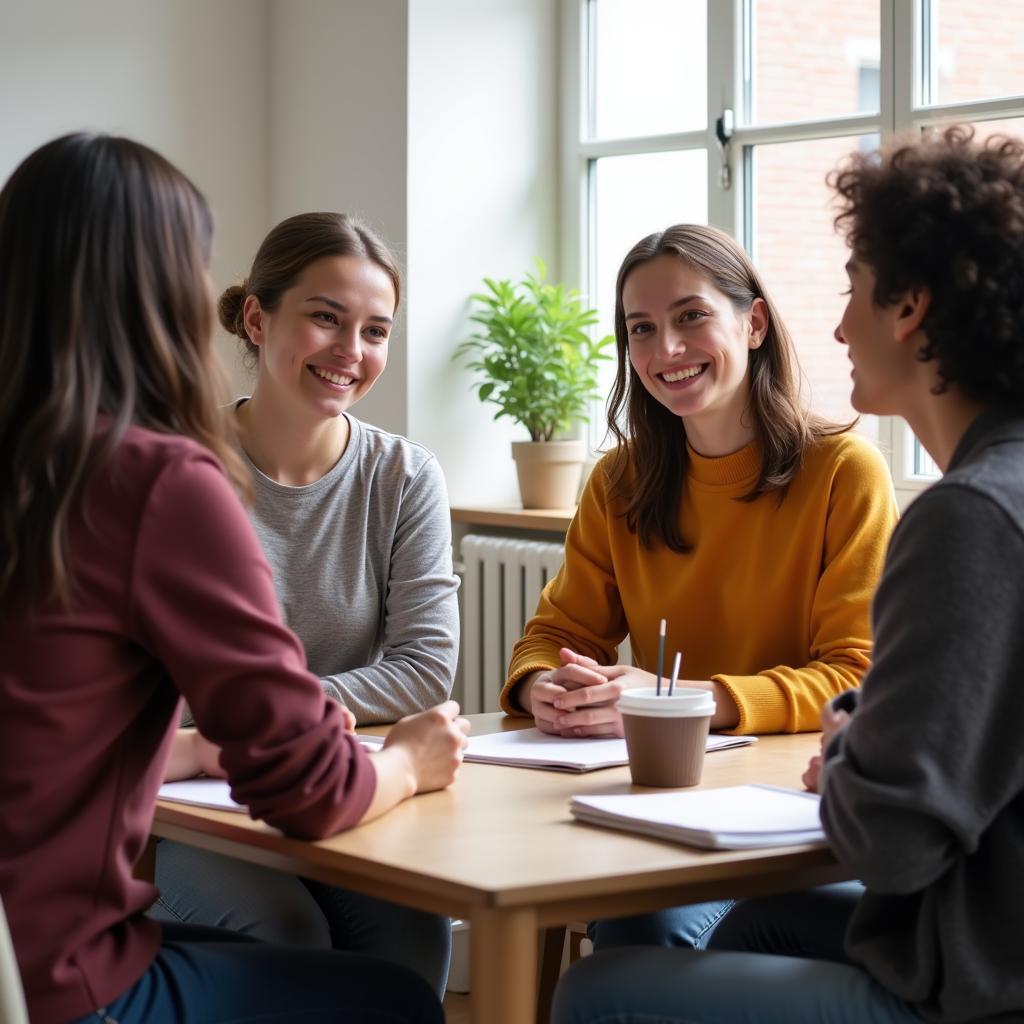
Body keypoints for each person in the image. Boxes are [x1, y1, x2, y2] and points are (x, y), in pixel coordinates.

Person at [552, 124, 1024, 1023]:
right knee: (754, 928)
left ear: (912, 306)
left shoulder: (970, 515)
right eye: (641, 328)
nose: (841, 324)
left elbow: (892, 838)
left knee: (597, 993)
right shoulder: (998, 491)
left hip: (984, 978)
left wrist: (847, 738)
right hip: (978, 926)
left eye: (854, 290)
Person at [0, 132, 467, 1024]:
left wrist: (198, 742)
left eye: (376, 330)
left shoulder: (45, 465)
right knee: (393, 1002)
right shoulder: (161, 480)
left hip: (24, 953)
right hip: (58, 978)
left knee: (387, 945)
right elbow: (312, 791)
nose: (351, 350)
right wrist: (406, 759)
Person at [498, 222, 898, 952]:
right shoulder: (618, 481)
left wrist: (680, 701)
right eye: (641, 329)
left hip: (790, 814)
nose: (665, 351)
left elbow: (855, 677)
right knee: (632, 923)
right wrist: (546, 690)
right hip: (658, 802)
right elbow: (552, 638)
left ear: (753, 322)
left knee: (641, 938)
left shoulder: (844, 470)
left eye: (690, 318)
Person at [151, 212, 459, 992]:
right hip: (198, 800)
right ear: (257, 317)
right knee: (285, 931)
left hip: (352, 780)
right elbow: (158, 691)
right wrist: (279, 728)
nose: (351, 353)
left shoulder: (404, 477)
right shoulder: (180, 474)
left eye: (375, 330)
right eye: (326, 317)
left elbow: (426, 668)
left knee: (412, 935)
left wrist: (282, 719)